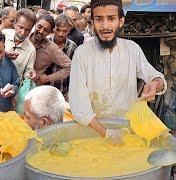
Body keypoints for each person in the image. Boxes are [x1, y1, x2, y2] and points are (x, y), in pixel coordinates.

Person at [69, 0, 167, 145]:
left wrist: (154, 85)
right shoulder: (81, 54)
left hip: (128, 131)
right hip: (92, 133)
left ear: (121, 21)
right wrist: (107, 134)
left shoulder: (132, 49)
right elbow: (79, 106)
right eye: (99, 19)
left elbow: (156, 77)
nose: (105, 26)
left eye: (111, 18)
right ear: (92, 22)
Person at [29, 14, 71, 86]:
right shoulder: (24, 36)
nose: (41, 31)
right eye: (39, 27)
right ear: (35, 24)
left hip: (32, 88)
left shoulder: (51, 48)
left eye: (46, 30)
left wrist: (48, 78)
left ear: (50, 32)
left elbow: (70, 67)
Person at [46, 14, 77, 101]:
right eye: (58, 30)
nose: (61, 34)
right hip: (43, 89)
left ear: (69, 30)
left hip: (62, 91)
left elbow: (73, 72)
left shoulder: (72, 47)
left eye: (64, 31)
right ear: (54, 29)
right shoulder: (45, 42)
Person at [2, 8, 37, 82]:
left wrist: (30, 75)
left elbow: (28, 72)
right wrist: (3, 54)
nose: (23, 33)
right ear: (14, 24)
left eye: (27, 30)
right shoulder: (4, 34)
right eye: (20, 27)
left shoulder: (31, 50)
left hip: (13, 87)